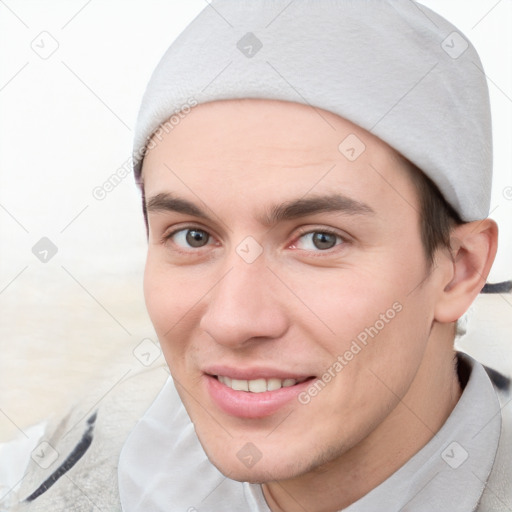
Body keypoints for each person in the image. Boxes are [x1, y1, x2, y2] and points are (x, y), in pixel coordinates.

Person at [12, 1, 511, 510]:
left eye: (320, 239)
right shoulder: (86, 447)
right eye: (193, 237)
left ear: (459, 269)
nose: (233, 321)